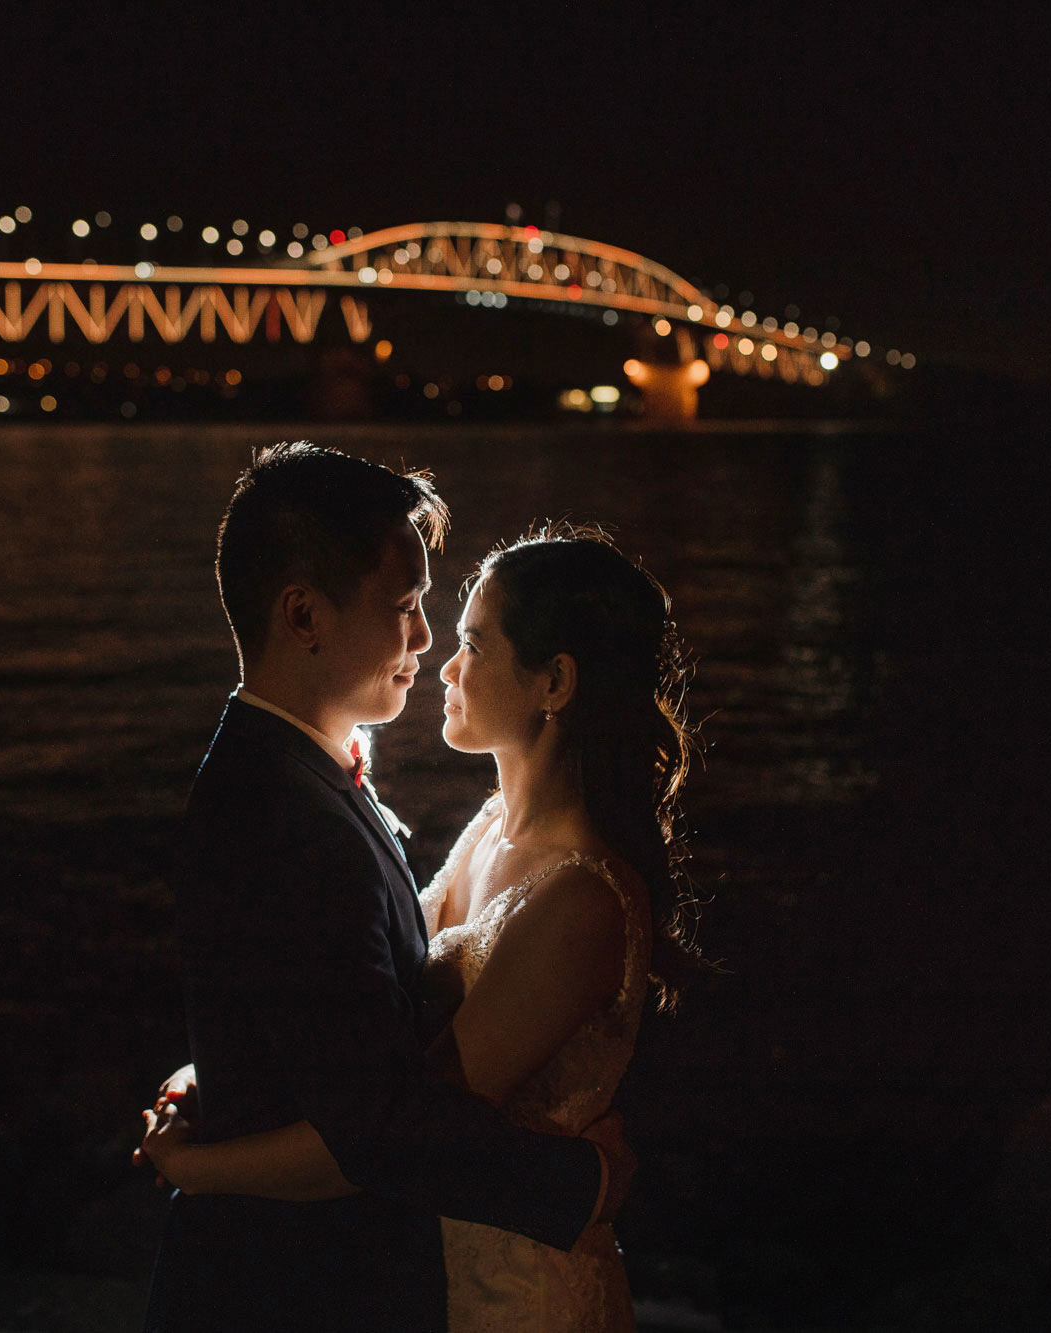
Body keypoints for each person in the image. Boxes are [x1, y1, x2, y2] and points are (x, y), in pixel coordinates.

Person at [143, 519, 705, 1332]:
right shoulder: (490, 827)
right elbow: (375, 1010)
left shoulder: (581, 899)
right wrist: (226, 1067)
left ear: (555, 682)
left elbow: (398, 1129)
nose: (443, 662)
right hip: (432, 1268)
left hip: (515, 1291)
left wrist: (195, 1166)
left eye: (474, 645)